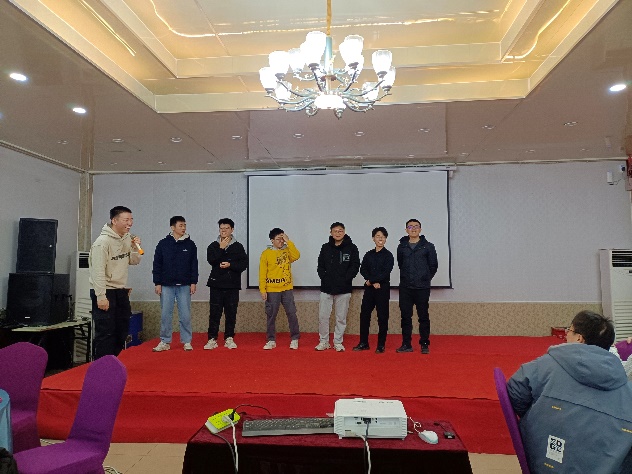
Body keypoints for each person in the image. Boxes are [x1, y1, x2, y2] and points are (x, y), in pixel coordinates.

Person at [507, 311, 632, 474]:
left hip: (546, 463)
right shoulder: (626, 388)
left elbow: (516, 391)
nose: (566, 334)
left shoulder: (546, 365)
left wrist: (539, 415)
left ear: (579, 338)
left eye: (569, 330)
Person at [89, 206, 142, 359]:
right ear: (114, 220)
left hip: (120, 290)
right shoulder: (102, 242)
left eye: (131, 219)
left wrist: (135, 248)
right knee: (105, 332)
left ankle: (112, 362)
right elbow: (97, 271)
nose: (130, 223)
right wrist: (101, 296)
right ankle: (101, 365)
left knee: (122, 329)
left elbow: (134, 261)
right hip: (105, 290)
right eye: (126, 220)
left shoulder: (127, 238)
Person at [152, 216, 198, 352]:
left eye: (185, 225)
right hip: (166, 285)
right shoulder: (163, 244)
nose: (183, 228)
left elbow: (194, 265)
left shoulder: (190, 244)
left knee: (185, 315)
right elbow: (157, 264)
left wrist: (193, 282)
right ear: (172, 227)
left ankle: (187, 341)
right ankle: (165, 341)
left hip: (184, 285)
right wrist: (157, 282)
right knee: (166, 314)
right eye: (180, 225)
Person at [204, 218, 247, 350]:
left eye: (226, 228)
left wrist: (230, 265)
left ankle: (229, 338)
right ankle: (212, 339)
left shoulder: (238, 246)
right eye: (221, 228)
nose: (223, 231)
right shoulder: (213, 246)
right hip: (216, 285)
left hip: (232, 285)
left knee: (231, 313)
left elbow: (243, 264)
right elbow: (211, 260)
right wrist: (221, 249)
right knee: (214, 313)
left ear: (232, 230)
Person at [316, 222, 360, 352]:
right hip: (326, 288)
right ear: (331, 233)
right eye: (335, 231)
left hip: (344, 288)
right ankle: (324, 341)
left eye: (340, 231)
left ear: (344, 232)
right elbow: (320, 266)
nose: (338, 233)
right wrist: (325, 278)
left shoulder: (352, 248)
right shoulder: (325, 247)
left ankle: (338, 342)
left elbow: (355, 266)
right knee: (323, 317)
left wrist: (345, 279)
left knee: (341, 318)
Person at [396, 218, 438, 354]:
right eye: (410, 226)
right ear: (406, 230)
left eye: (416, 226)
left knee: (423, 317)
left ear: (420, 229)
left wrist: (424, 278)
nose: (413, 229)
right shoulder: (401, 247)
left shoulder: (428, 246)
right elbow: (400, 264)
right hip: (406, 287)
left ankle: (424, 343)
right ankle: (406, 344)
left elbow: (433, 266)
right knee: (405, 317)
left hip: (422, 288)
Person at [353, 227, 394, 354]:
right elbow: (363, 269)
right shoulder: (368, 254)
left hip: (382, 289)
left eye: (383, 236)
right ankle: (363, 343)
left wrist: (372, 281)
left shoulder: (388, 255)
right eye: (377, 236)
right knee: (364, 315)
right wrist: (371, 281)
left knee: (382, 317)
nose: (380, 238)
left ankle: (381, 345)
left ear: (385, 239)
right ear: (373, 238)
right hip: (369, 290)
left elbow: (386, 272)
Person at [259, 228, 301, 350]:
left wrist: (289, 241)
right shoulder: (266, 253)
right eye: (278, 239)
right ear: (272, 240)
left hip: (287, 288)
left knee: (291, 313)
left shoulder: (287, 251)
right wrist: (263, 290)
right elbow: (262, 273)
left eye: (282, 239)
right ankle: (271, 340)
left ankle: (295, 339)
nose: (281, 241)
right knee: (271, 315)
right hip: (272, 289)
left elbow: (297, 255)